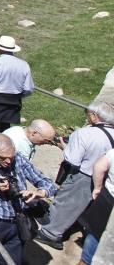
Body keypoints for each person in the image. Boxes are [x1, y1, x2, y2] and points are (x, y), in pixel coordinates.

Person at [0, 132, 57, 265]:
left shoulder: (17, 158)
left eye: (11, 157)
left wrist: (40, 192)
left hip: (18, 220)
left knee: (11, 260)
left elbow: (48, 184)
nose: (8, 162)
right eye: (3, 158)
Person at [34, 101, 114, 251]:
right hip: (105, 178)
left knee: (67, 203)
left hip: (83, 175)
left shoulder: (84, 133)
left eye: (89, 115)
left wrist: (65, 147)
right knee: (84, 205)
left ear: (95, 116)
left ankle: (50, 234)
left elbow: (72, 159)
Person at [0, 36, 34, 146]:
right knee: (4, 127)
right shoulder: (24, 64)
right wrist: (17, 96)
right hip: (13, 100)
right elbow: (28, 88)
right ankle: (3, 149)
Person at [80, 143, 114, 265]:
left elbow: (99, 167)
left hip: (109, 197)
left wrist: (97, 187)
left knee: (95, 232)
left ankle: (85, 261)